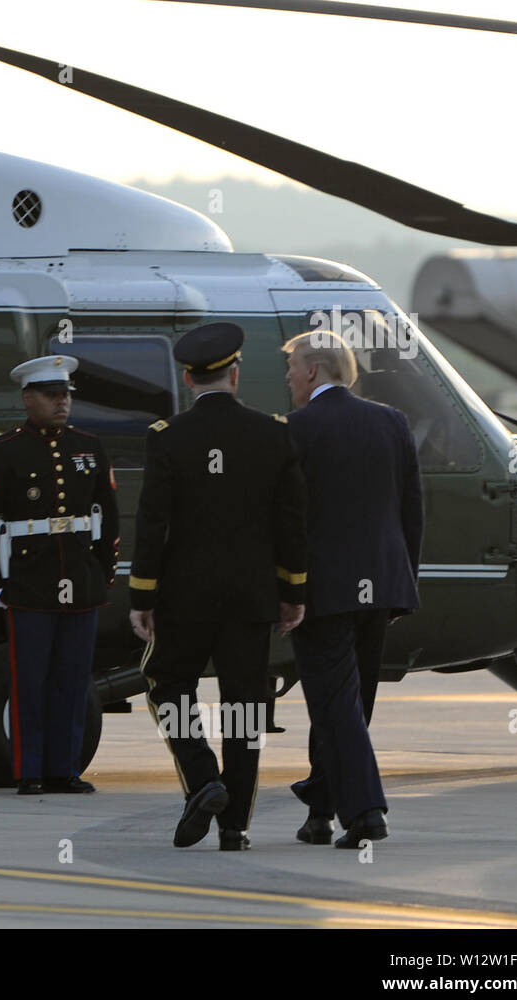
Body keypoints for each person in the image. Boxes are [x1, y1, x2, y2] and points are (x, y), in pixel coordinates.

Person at [129, 322, 307, 850]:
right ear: (235, 373)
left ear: (188, 378)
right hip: (251, 597)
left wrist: (142, 595)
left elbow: (152, 523)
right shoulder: (274, 432)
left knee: (166, 683)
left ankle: (204, 777)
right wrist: (292, 590)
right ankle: (236, 828)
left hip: (185, 597)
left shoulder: (166, 438)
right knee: (245, 707)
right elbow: (291, 522)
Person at [282, 329, 422, 848]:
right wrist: (401, 585)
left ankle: (365, 813)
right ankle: (320, 807)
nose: (290, 377)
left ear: (314, 371)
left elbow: (288, 521)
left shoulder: (294, 429)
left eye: (293, 368)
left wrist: (285, 588)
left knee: (335, 703)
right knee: (348, 702)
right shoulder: (391, 422)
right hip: (381, 586)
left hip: (323, 590)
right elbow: (411, 511)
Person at [0, 355, 119, 795]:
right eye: (52, 396)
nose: (61, 403)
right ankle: (29, 770)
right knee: (30, 680)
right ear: (27, 398)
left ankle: (65, 769)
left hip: (80, 579)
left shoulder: (89, 446)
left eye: (66, 395)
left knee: (72, 681)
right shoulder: (4, 450)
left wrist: (103, 572)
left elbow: (106, 518)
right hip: (30, 582)